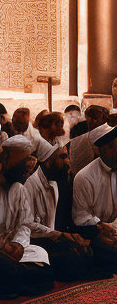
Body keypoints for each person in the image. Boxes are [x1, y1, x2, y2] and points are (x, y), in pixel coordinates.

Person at [0, 135, 54, 299]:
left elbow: (24, 224)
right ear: (7, 163)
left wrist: (18, 244)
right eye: (23, 169)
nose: (26, 174)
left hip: (13, 249)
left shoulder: (19, 187)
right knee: (5, 268)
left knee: (43, 258)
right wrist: (1, 245)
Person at [25, 140, 94, 281]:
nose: (68, 162)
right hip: (34, 242)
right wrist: (61, 236)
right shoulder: (29, 185)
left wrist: (72, 238)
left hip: (51, 238)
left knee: (87, 250)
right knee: (72, 259)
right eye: (62, 157)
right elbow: (27, 226)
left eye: (67, 156)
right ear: (48, 160)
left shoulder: (56, 182)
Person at [72, 125, 117, 272]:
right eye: (114, 148)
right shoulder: (84, 177)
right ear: (105, 150)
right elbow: (81, 216)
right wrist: (102, 227)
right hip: (95, 233)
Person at [68, 105, 110, 173]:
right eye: (90, 118)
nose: (92, 121)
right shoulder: (79, 130)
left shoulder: (105, 133)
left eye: (96, 118)